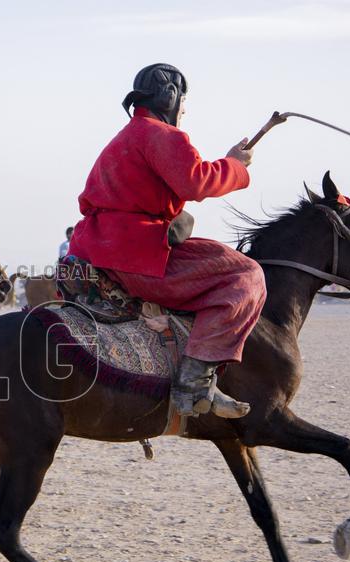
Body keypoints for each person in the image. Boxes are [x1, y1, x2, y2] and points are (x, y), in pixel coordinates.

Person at [67, 63, 265, 419]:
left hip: (97, 249)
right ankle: (195, 381)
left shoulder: (128, 134)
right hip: (136, 256)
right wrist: (236, 166)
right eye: (184, 101)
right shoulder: (162, 135)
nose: (185, 110)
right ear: (170, 97)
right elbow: (196, 182)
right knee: (246, 275)